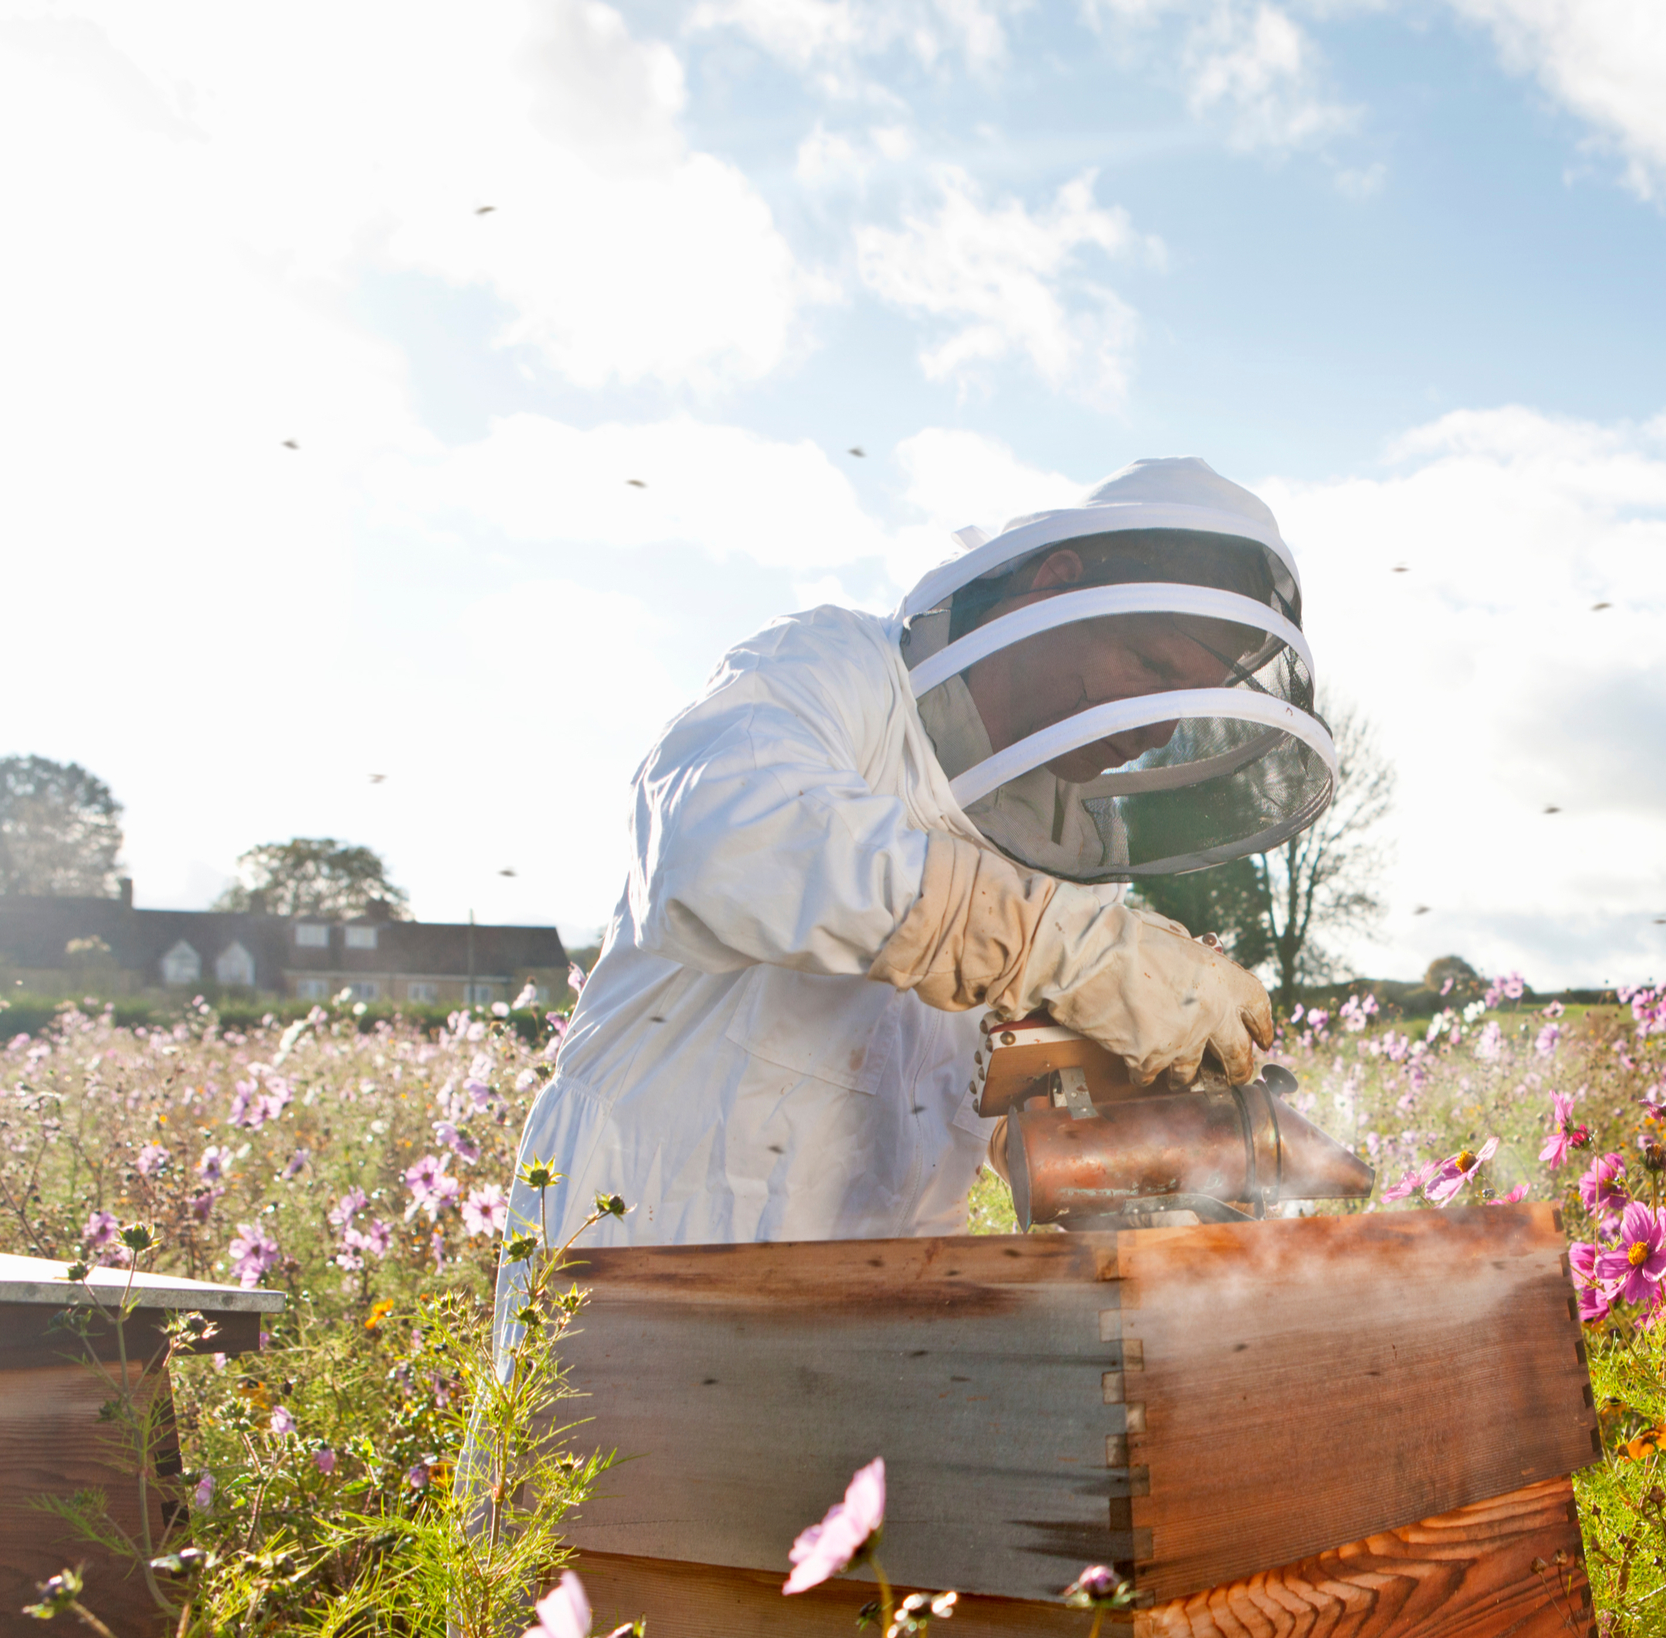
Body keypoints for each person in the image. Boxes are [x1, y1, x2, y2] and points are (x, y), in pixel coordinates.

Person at [503, 457, 1336, 1263]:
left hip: (880, 1304)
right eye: (1148, 667)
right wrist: (1057, 943)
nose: (1158, 728)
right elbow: (724, 838)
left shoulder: (1059, 842)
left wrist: (1159, 1131)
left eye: (1179, 701)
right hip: (639, 1251)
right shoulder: (832, 668)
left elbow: (1038, 1122)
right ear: (1054, 584)